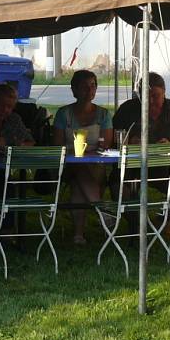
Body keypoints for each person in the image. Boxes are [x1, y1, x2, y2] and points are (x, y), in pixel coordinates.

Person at [52, 70, 113, 245]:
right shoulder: (64, 114)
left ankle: (78, 234)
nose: (90, 89)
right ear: (74, 89)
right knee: (78, 168)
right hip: (67, 165)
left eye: (93, 85)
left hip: (95, 164)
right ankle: (101, 209)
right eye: (84, 86)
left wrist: (89, 154)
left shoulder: (103, 115)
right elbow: (57, 145)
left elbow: (106, 145)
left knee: (79, 178)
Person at [112, 72, 170, 150]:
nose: (150, 101)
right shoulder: (127, 109)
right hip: (134, 162)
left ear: (164, 93)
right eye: (146, 96)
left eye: (155, 96)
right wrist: (129, 141)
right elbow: (112, 138)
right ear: (140, 95)